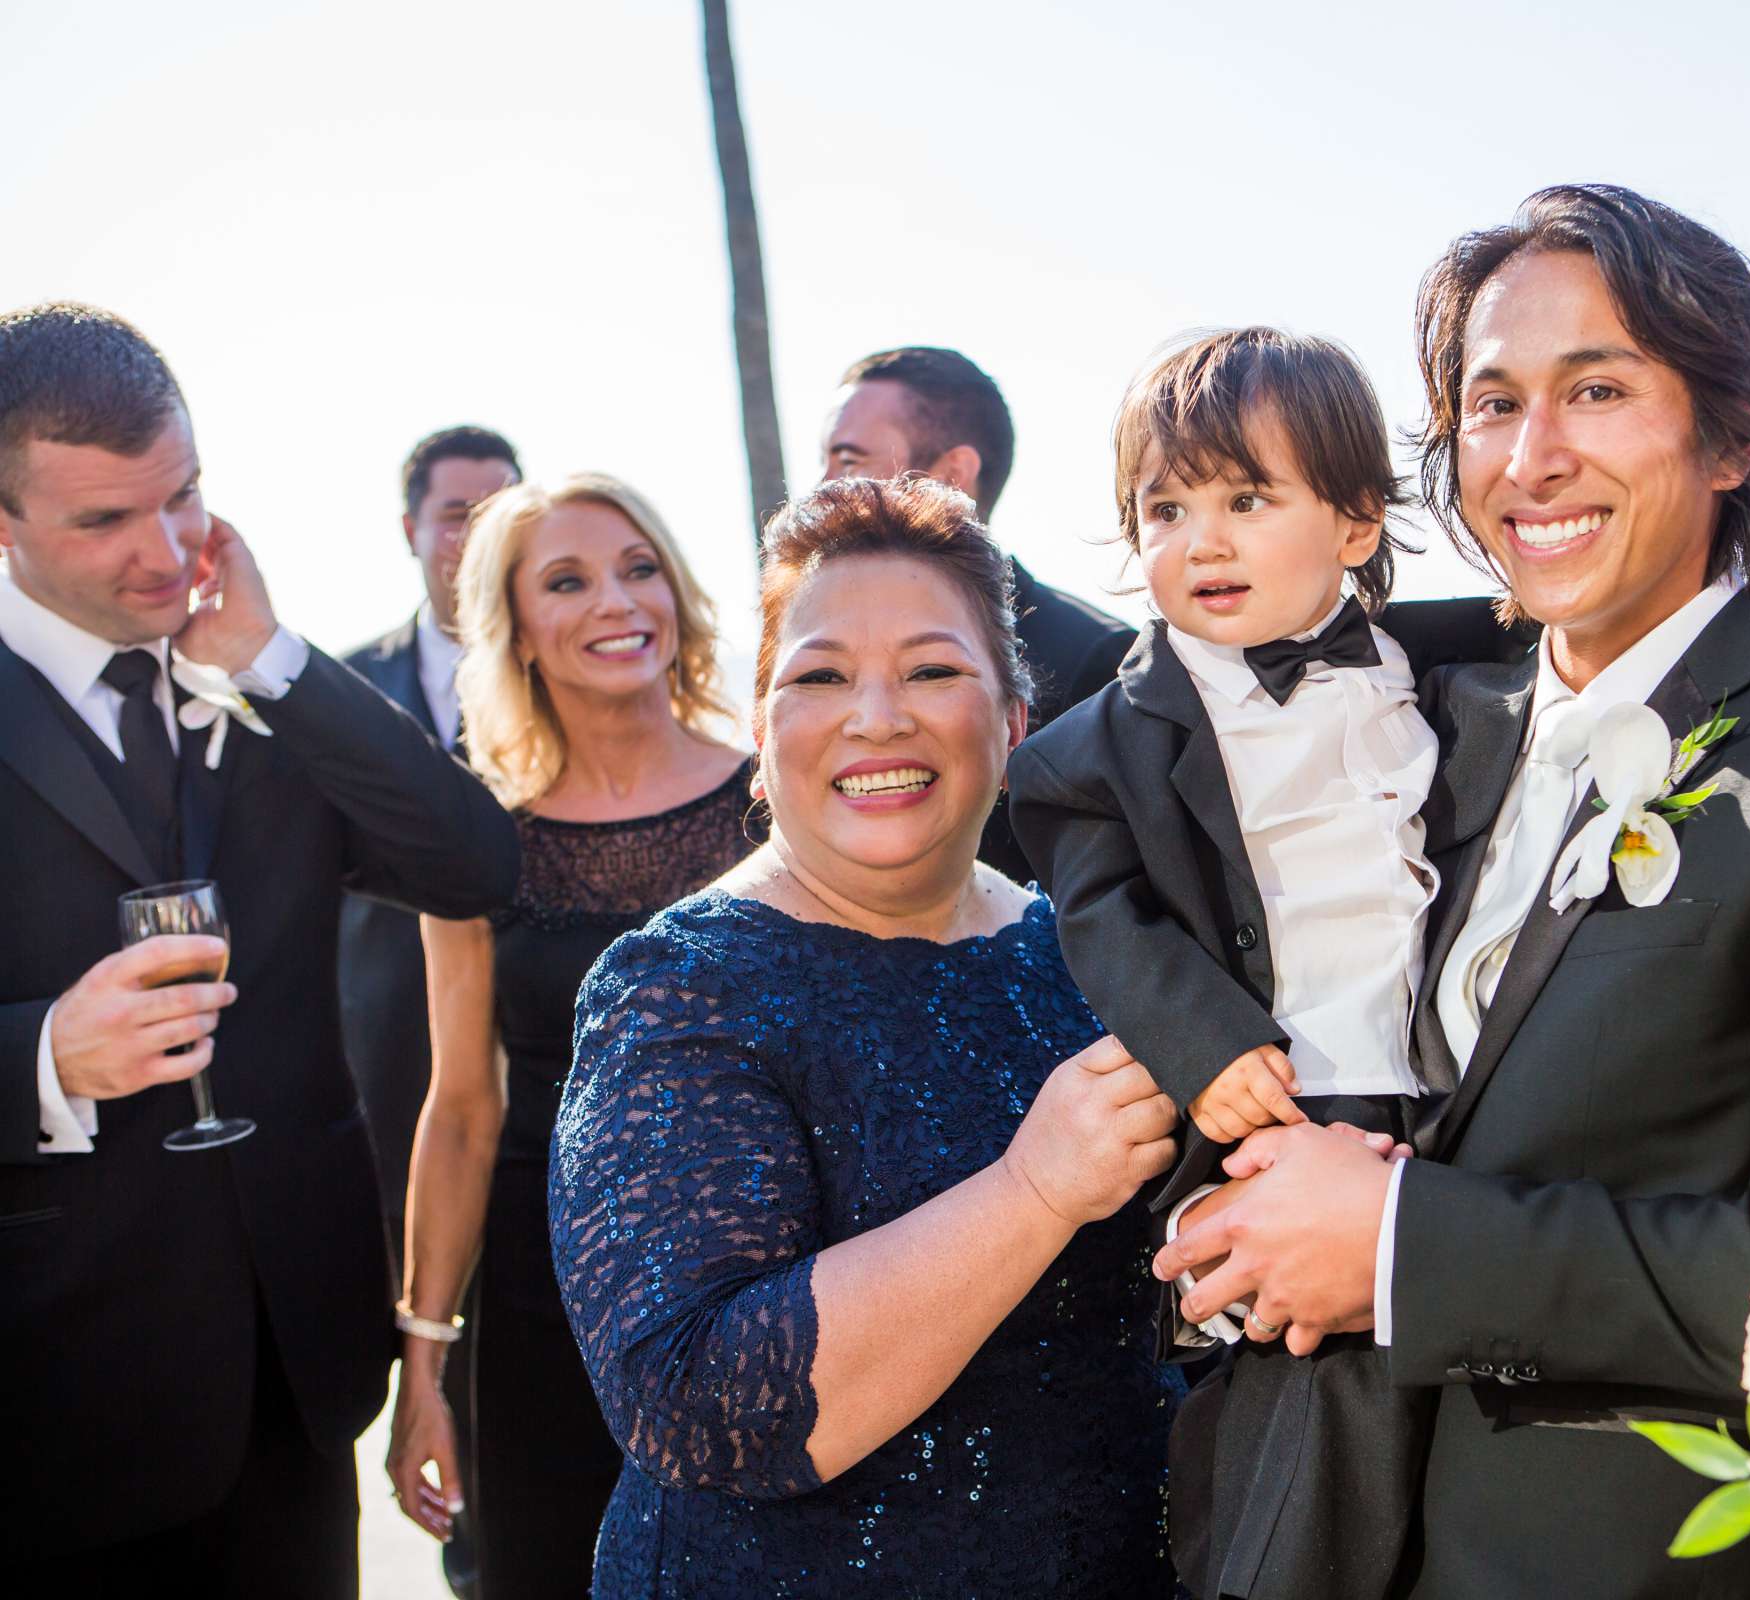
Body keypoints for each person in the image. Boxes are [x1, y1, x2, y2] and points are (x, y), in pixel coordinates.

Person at [1153, 187, 1750, 1598]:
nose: (1534, 457)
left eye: (1599, 390)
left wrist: (1396, 1246)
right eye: (1493, 406)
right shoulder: (1425, 721)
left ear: (1735, 435)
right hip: (1326, 1526)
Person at [550, 475, 1182, 1597]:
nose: (876, 715)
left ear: (1014, 720)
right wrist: (1034, 1193)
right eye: (821, 675)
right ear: (759, 731)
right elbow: (694, 1404)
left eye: (933, 670)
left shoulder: (1088, 953)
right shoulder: (677, 987)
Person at [0, 302, 520, 1595]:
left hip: (294, 1391)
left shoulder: (264, 694)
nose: (163, 551)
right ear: (2, 525)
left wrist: (274, 658)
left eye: (181, 498)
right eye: (103, 521)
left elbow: (473, 868)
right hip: (44, 1422)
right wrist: (46, 1056)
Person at [1010, 326, 1436, 1600]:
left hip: (1456, 1094)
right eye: (1166, 507)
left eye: (1249, 500)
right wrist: (1203, 1048)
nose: (1202, 540)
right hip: (1280, 1100)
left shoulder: (1460, 666)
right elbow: (1104, 918)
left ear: (1357, 524)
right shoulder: (1094, 749)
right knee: (1303, 1418)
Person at [385, 474, 757, 1596]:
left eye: (639, 568)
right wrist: (426, 1369)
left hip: (766, 1289)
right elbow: (459, 1109)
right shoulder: (474, 844)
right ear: (517, 631)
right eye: (569, 580)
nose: (618, 601)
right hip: (548, 1312)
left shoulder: (775, 800)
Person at [818, 346, 1134, 879]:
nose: (825, 487)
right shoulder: (809, 651)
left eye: (849, 461)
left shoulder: (1098, 659)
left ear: (953, 474)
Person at [342, 423, 523, 1258]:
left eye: (503, 510)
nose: (479, 534)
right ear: (408, 530)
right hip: (375, 1081)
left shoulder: (582, 676)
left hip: (538, 1077)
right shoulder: (335, 694)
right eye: (457, 513)